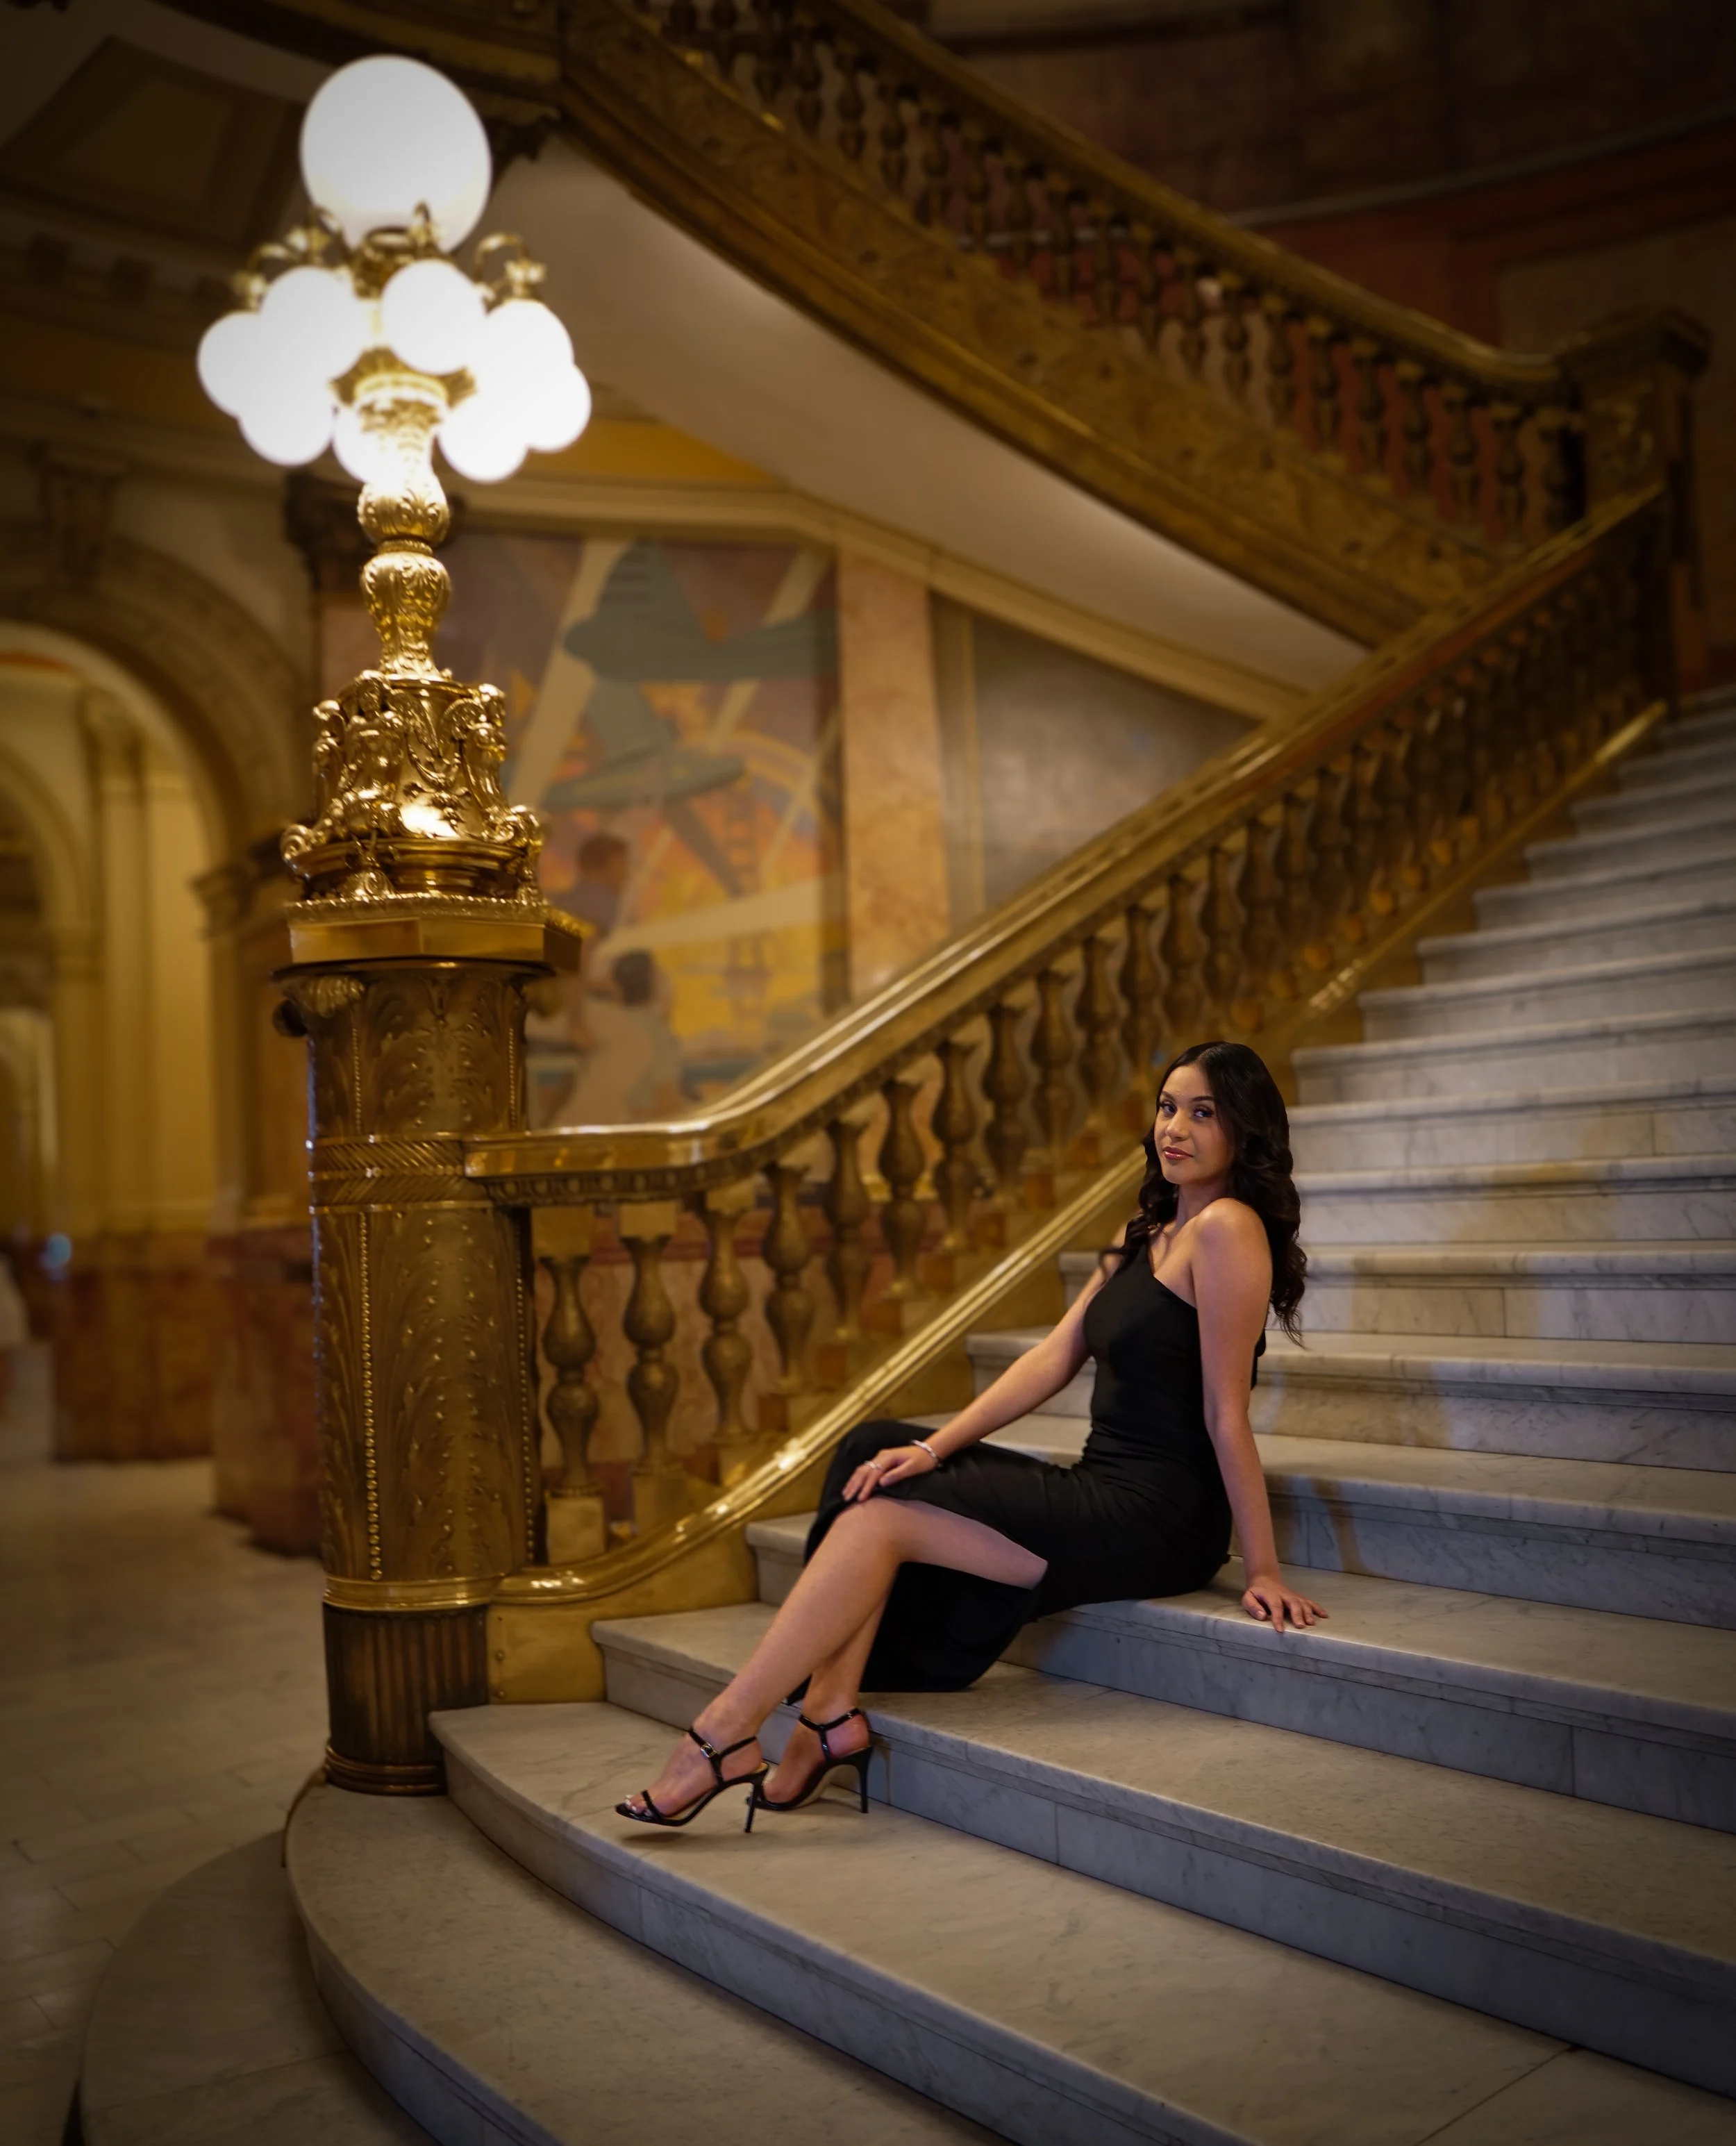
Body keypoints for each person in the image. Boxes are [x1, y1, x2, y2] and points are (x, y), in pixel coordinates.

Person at [615, 1038, 1326, 1830]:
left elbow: (1225, 1413)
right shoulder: (1147, 1228)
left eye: (1202, 1113)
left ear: (1244, 1130)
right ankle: (826, 1714)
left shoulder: (1229, 1229)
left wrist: (1261, 1565)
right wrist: (931, 1447)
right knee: (872, 1449)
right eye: (1166, 1107)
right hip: (1100, 1483)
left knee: (879, 1517)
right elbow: (1052, 1360)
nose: (1175, 1128)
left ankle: (721, 1737)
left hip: (1158, 1514)